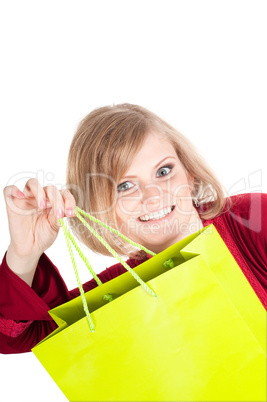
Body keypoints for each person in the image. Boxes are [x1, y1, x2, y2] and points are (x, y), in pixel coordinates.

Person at [1, 103, 267, 354]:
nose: (153, 196)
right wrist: (24, 253)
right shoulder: (119, 288)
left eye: (164, 171)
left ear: (189, 172)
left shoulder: (252, 221)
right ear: (99, 207)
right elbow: (16, 337)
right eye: (124, 186)